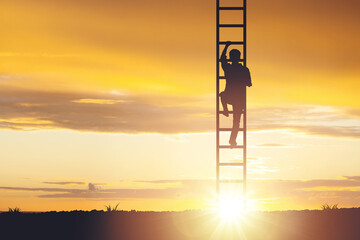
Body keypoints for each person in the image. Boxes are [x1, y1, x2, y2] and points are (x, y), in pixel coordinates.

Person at [220, 41, 252, 147]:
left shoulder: (229, 68)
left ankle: (225, 109)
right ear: (239, 58)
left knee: (222, 95)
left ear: (231, 58)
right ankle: (232, 141)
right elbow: (249, 84)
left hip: (230, 97)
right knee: (236, 122)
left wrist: (226, 46)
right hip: (239, 100)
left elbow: (222, 59)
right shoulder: (244, 69)